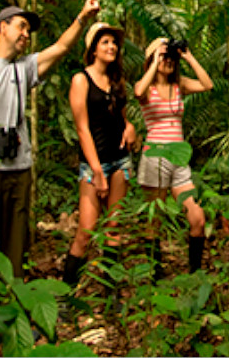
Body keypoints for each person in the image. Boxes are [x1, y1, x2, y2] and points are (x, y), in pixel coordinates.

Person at [0, 0, 102, 278]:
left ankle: (14, 308)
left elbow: (60, 48)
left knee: (16, 245)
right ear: (2, 27)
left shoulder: (25, 68)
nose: (25, 34)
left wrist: (82, 18)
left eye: (28, 30)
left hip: (17, 170)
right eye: (21, 27)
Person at [62, 22, 137, 286]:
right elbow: (82, 128)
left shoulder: (118, 81)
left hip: (120, 161)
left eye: (114, 43)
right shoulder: (80, 80)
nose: (112, 47)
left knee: (114, 228)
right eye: (105, 42)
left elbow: (122, 117)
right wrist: (96, 171)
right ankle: (66, 296)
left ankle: (111, 293)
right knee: (86, 231)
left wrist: (129, 127)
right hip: (94, 164)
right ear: (93, 49)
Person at [134, 37, 213, 275]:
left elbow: (207, 84)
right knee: (154, 221)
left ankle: (194, 272)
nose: (168, 61)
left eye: (171, 58)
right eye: (163, 57)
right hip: (154, 157)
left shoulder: (180, 84)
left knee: (197, 218)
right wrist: (155, 58)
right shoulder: (147, 87)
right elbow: (138, 91)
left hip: (179, 159)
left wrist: (188, 56)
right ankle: (155, 276)